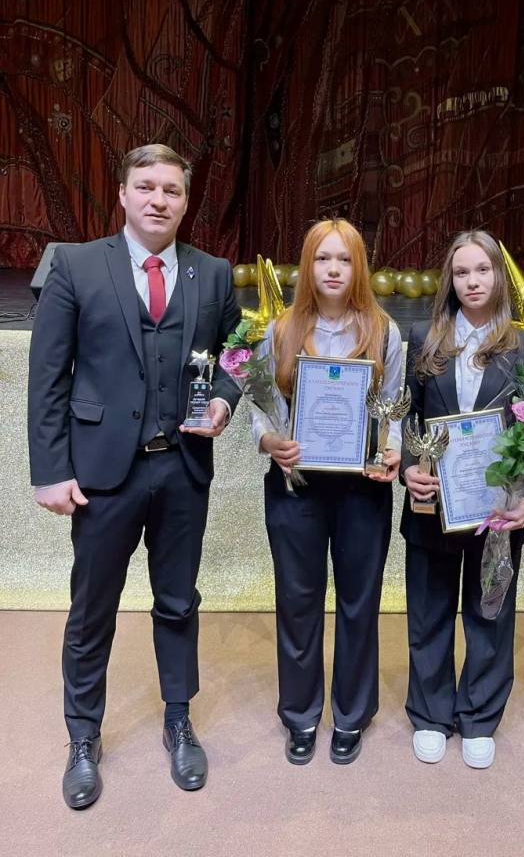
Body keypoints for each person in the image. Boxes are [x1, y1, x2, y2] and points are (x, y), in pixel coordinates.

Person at [28, 144, 241, 809]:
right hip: (102, 474)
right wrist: (50, 471)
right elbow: (47, 377)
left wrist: (224, 400)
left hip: (182, 470)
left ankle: (179, 720)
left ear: (185, 201)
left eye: (171, 190)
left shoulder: (213, 273)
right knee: (92, 610)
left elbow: (237, 353)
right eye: (146, 186)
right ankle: (83, 737)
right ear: (122, 194)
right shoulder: (75, 265)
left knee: (178, 603)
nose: (158, 199)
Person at [253, 218, 402, 766]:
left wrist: (392, 450)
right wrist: (271, 441)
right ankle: (299, 715)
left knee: (360, 602)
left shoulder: (384, 331)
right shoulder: (280, 330)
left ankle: (351, 714)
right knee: (298, 601)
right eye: (323, 258)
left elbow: (395, 409)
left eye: (344, 259)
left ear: (358, 266)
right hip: (297, 486)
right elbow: (262, 411)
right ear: (307, 266)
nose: (333, 269)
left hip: (363, 488)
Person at [400, 230, 524, 769]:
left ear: (498, 277)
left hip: (496, 508)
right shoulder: (424, 337)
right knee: (429, 611)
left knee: (490, 612)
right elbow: (409, 417)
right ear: (450, 281)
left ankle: (479, 715)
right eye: (462, 273)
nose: (473, 281)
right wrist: (409, 469)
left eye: (482, 270)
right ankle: (431, 713)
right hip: (433, 504)